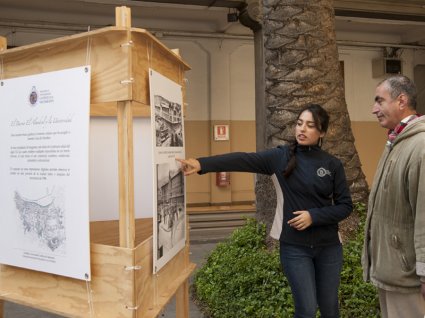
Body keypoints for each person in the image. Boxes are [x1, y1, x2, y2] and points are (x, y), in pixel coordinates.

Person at [177, 104, 352, 318]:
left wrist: (313, 216)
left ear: (322, 132)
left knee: (330, 309)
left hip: (329, 247)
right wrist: (201, 163)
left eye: (310, 125)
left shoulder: (332, 164)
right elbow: (243, 159)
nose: (302, 129)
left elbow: (345, 206)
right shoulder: (280, 157)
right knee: (306, 309)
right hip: (295, 247)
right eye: (299, 124)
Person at [362, 75, 425, 318]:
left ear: (402, 101)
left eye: (380, 101)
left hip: (407, 277)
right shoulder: (396, 141)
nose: (374, 109)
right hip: (392, 272)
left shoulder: (419, 146)